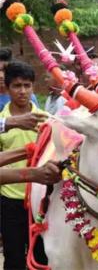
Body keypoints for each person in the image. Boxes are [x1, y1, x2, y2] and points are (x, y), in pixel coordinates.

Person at [0, 61, 49, 269]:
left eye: (27, 86)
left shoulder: (46, 120)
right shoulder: (2, 121)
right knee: (14, 259)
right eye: (17, 86)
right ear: (7, 88)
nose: (22, 91)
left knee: (41, 256)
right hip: (10, 200)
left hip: (42, 201)